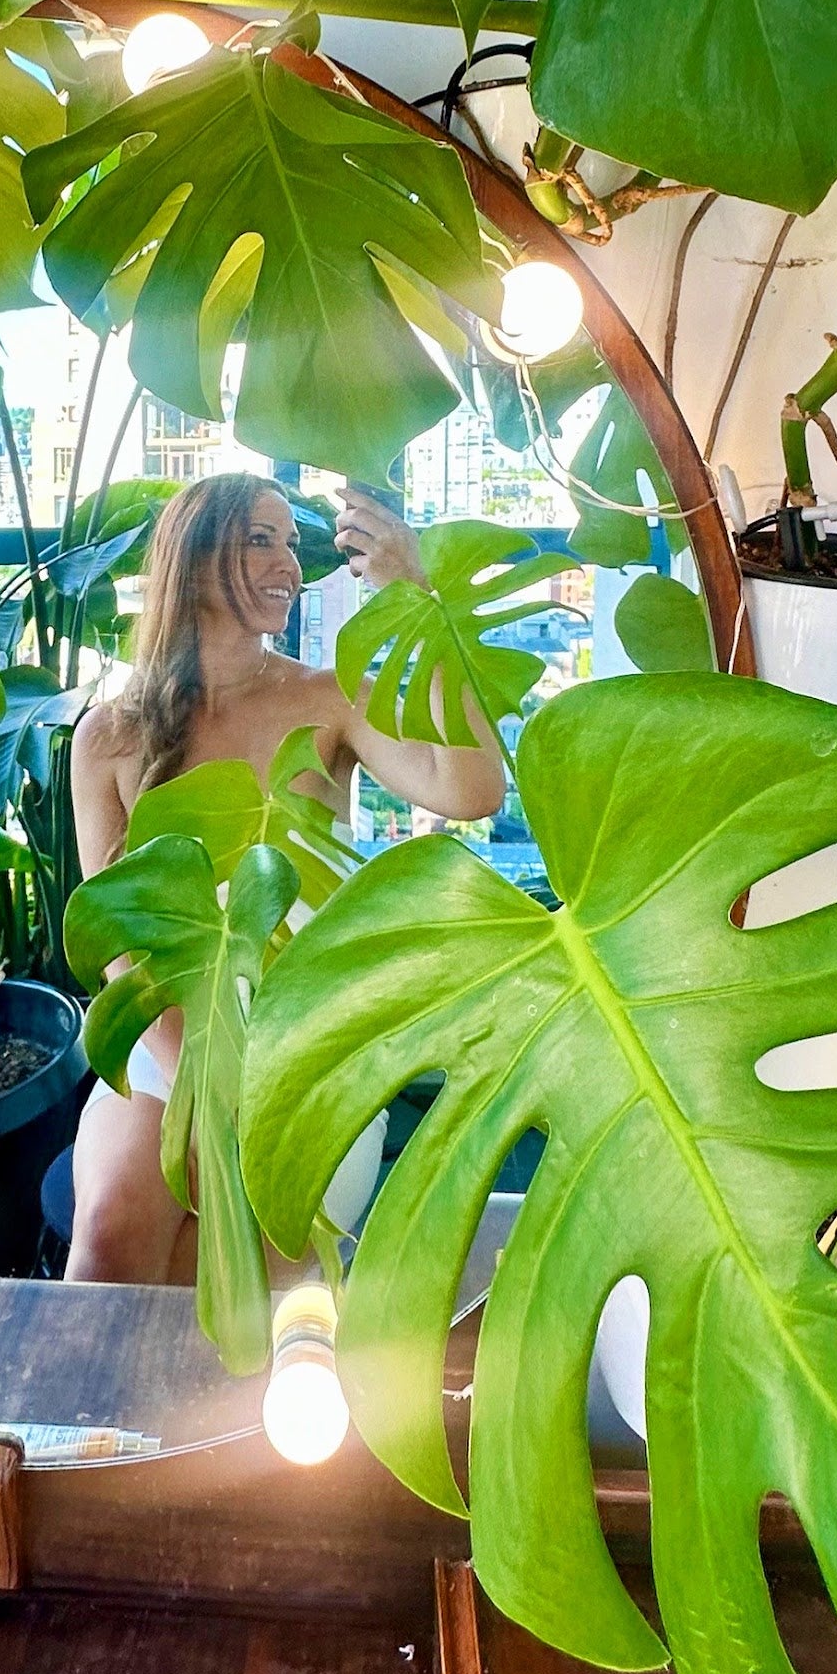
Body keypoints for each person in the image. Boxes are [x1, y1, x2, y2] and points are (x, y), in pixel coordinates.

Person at [66, 473, 506, 1286]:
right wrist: (204, 1088)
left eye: (292, 545)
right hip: (174, 1046)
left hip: (309, 1056)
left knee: (234, 1290)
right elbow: (117, 945)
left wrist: (419, 602)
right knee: (107, 1245)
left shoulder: (330, 699)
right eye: (260, 539)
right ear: (194, 562)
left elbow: (472, 789)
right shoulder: (110, 737)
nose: (289, 565)